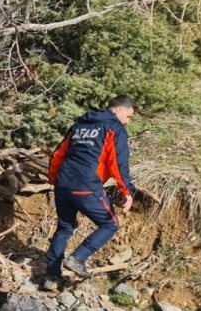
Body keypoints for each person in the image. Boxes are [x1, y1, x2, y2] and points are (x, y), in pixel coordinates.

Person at [43, 95, 138, 291]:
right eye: (128, 117)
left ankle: (51, 277)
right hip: (85, 185)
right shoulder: (113, 128)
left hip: (63, 183)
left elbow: (59, 154)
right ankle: (78, 258)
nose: (128, 122)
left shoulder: (79, 125)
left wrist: (54, 179)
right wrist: (127, 191)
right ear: (119, 110)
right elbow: (119, 163)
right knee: (110, 224)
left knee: (64, 229)